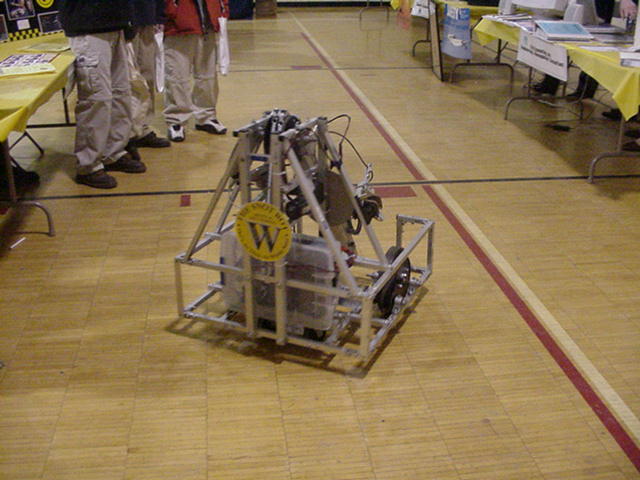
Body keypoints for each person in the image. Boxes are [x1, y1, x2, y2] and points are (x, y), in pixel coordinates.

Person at [59, 0, 146, 189]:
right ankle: (88, 164)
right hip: (87, 27)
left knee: (120, 94)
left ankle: (113, 152)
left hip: (116, 24)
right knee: (96, 100)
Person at [163, 0, 229, 142]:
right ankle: (176, 120)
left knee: (208, 75)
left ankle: (206, 116)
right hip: (178, 26)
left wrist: (222, 9)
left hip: (208, 22)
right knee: (177, 75)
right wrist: (172, 11)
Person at [532, 0, 614, 98]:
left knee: (593, 48)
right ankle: (550, 83)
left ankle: (585, 90)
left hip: (598, 7)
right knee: (558, 39)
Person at [127, 0, 171, 149]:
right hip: (125, 22)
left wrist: (159, 16)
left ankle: (143, 128)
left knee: (148, 76)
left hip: (147, 18)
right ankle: (127, 132)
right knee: (129, 79)